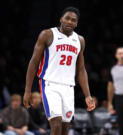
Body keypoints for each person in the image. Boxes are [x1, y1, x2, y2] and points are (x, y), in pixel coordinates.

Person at [23, 7, 95, 135]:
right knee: (55, 124)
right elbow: (33, 62)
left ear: (76, 23)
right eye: (67, 18)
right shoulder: (47, 34)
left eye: (73, 20)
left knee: (65, 128)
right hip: (50, 84)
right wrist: (28, 90)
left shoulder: (80, 40)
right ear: (61, 19)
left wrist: (87, 95)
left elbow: (81, 69)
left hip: (68, 86)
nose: (69, 22)